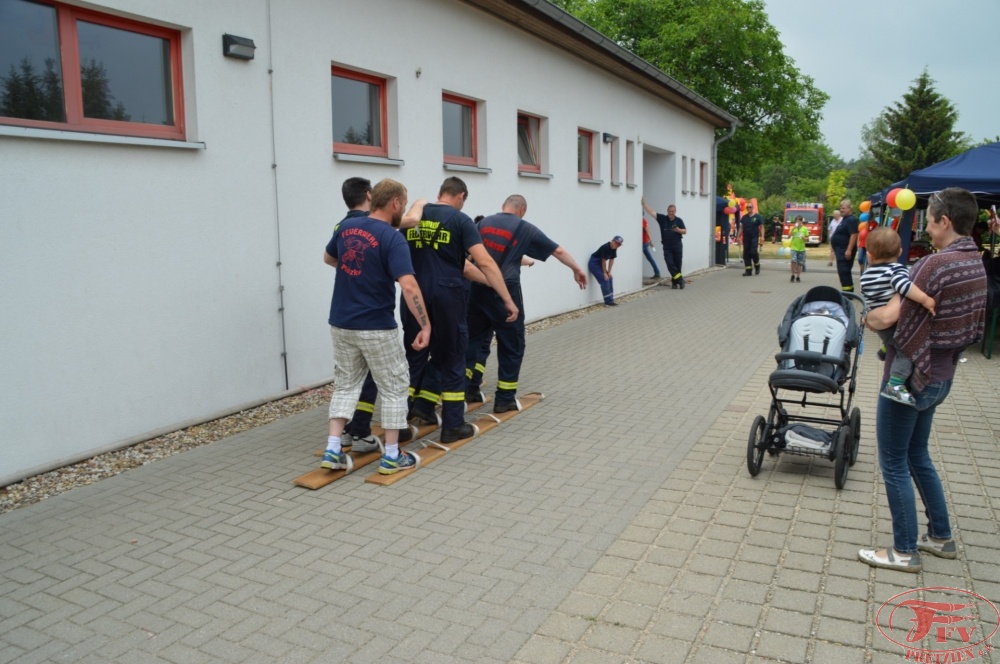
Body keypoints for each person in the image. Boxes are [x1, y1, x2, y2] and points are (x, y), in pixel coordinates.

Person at [859, 187, 987, 572]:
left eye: (930, 222)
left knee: (894, 461)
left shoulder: (934, 266)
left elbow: (886, 318)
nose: (927, 230)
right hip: (941, 375)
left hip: (912, 378)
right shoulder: (974, 262)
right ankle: (939, 537)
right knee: (917, 455)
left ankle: (903, 551)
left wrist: (867, 317)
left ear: (944, 221)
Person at [321, 179, 431, 475]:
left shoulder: (346, 228)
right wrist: (424, 323)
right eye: (404, 205)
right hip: (376, 326)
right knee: (395, 387)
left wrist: (358, 272)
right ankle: (393, 456)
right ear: (395, 203)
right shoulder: (392, 237)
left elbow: (330, 257)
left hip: (341, 323)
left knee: (345, 384)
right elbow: (408, 285)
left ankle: (332, 449)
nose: (404, 210)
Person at [402, 177, 518, 444]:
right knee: (453, 356)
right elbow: (484, 261)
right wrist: (506, 298)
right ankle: (453, 426)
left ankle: (400, 419)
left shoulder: (413, 217)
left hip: (414, 297)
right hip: (447, 298)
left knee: (413, 356)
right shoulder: (460, 220)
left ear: (440, 192)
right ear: (461, 196)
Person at [466, 195, 588, 410]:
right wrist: (576, 269)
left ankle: (467, 389)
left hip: (476, 289)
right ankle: (504, 399)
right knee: (512, 345)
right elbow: (557, 250)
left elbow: (468, 255)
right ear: (522, 209)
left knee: (472, 342)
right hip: (506, 291)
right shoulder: (525, 228)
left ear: (503, 206)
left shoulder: (482, 224)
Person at [860, 227, 938, 407]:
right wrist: (925, 299)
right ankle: (895, 385)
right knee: (907, 350)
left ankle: (886, 349)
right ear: (900, 252)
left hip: (879, 324)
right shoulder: (896, 270)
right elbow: (904, 286)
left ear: (870, 256)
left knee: (892, 341)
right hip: (895, 324)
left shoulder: (866, 276)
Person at [641, 198, 686, 288]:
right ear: (667, 211)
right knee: (669, 263)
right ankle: (680, 280)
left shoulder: (679, 220)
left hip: (677, 246)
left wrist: (678, 230)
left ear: (675, 211)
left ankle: (675, 283)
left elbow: (685, 231)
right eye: (669, 211)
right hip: (667, 247)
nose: (671, 213)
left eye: (672, 211)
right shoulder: (662, 219)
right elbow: (652, 212)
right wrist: (644, 205)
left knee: (677, 264)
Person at [830, 199, 858, 291]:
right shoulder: (845, 219)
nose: (841, 210)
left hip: (845, 250)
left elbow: (853, 235)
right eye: (840, 208)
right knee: (842, 272)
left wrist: (849, 250)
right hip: (840, 250)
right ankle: (847, 291)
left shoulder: (851, 220)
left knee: (844, 271)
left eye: (844, 208)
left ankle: (848, 293)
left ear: (850, 209)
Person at [589, 236, 623, 305]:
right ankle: (608, 302)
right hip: (594, 263)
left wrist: (609, 272)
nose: (617, 245)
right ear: (612, 241)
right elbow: (603, 261)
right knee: (604, 279)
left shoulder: (614, 249)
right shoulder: (606, 247)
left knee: (609, 278)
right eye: (616, 243)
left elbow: (611, 260)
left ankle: (611, 299)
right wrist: (605, 273)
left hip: (600, 264)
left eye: (619, 244)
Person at [738, 203, 764, 276]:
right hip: (746, 238)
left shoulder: (758, 217)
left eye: (750, 207)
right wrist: (738, 236)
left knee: (753, 252)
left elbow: (762, 227)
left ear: (753, 208)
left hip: (754, 237)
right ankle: (748, 270)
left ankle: (757, 265)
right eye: (747, 207)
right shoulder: (744, 217)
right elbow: (741, 227)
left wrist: (762, 236)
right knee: (746, 253)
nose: (748, 208)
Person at [788, 216, 809, 282]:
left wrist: (804, 238)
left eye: (799, 221)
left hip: (801, 248)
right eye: (796, 221)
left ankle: (798, 276)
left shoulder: (805, 229)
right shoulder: (792, 228)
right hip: (794, 247)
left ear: (801, 221)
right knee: (793, 261)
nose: (798, 222)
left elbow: (808, 239)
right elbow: (788, 236)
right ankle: (792, 274)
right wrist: (793, 229)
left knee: (800, 263)